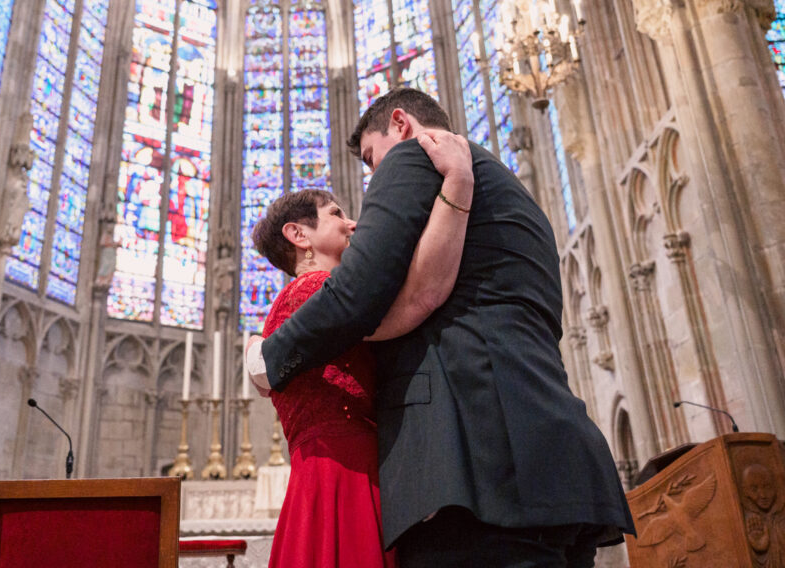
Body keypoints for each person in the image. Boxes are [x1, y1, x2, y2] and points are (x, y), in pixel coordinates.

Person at [248, 87, 634, 567]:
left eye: (372, 159)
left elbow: (362, 294)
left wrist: (266, 357)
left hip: (475, 461)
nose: (375, 176)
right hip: (557, 454)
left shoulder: (414, 159)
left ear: (401, 124)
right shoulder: (517, 198)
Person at [253, 128, 473, 568]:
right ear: (299, 234)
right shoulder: (317, 291)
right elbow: (413, 295)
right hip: (345, 472)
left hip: (328, 473)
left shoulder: (297, 303)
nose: (353, 223)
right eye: (336, 214)